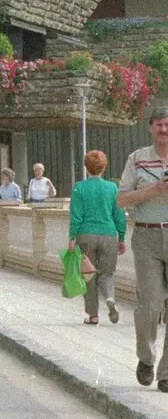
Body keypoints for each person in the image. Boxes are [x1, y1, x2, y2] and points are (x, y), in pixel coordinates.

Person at [118, 110, 168, 390]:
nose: (164, 129)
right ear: (150, 128)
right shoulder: (137, 159)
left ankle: (166, 373)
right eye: (159, 125)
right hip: (147, 236)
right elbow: (121, 199)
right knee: (150, 304)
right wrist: (154, 191)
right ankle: (146, 358)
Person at [69, 149, 127, 327]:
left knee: (89, 275)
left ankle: (93, 315)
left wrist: (72, 238)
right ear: (104, 168)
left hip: (85, 234)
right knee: (107, 273)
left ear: (86, 167)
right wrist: (122, 237)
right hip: (109, 235)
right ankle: (110, 298)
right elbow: (119, 214)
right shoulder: (112, 188)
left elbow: (75, 216)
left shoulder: (79, 187)